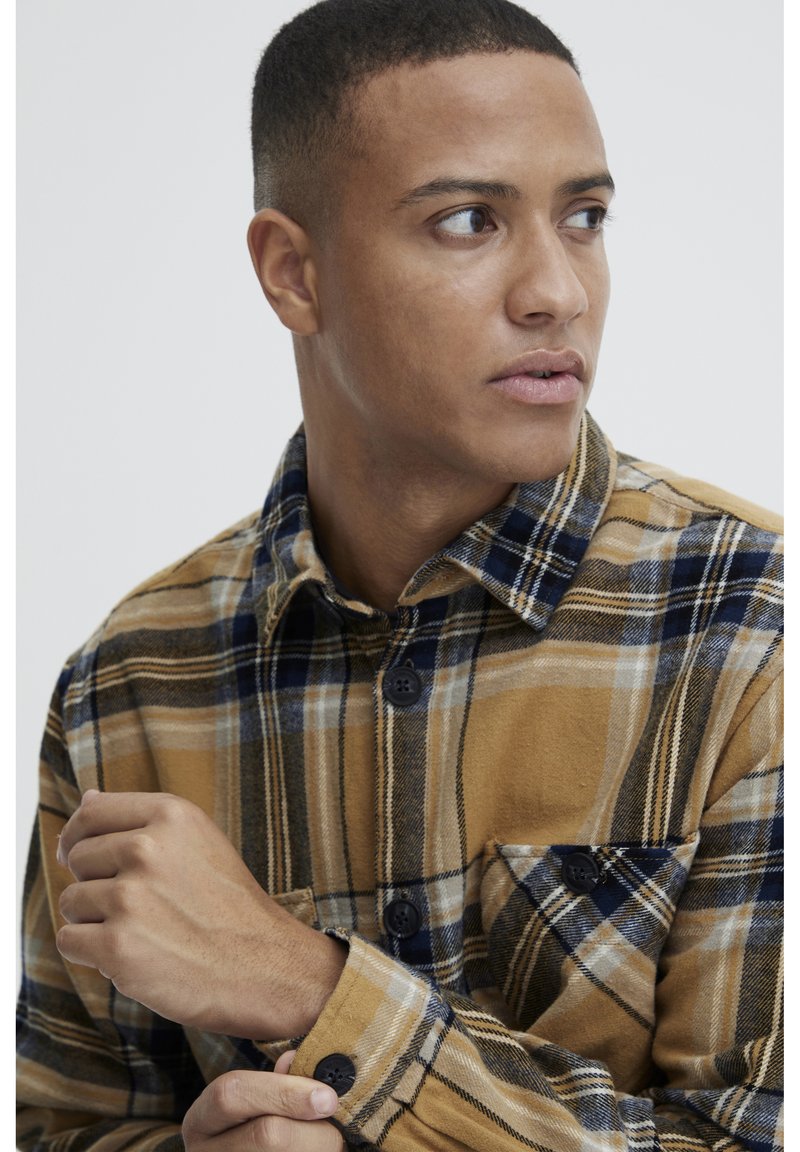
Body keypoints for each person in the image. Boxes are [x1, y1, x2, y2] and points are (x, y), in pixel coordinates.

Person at [16, 0, 783, 1149]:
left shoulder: (752, 626)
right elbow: (64, 1126)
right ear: (293, 273)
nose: (558, 291)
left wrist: (309, 988)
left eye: (583, 217)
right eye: (469, 221)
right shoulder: (127, 685)